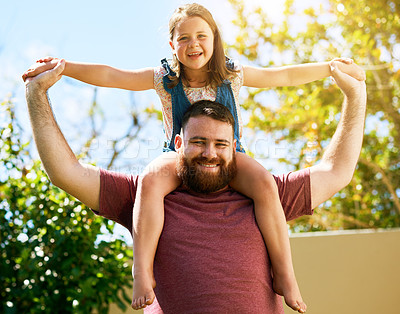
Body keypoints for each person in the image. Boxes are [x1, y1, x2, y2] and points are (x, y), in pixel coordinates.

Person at [22, 3, 366, 311]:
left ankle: (286, 275)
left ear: (215, 40)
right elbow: (113, 76)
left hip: (235, 158)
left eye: (201, 36)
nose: (193, 45)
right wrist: (64, 67)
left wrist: (330, 68)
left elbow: (284, 75)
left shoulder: (232, 75)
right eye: (183, 38)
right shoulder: (164, 79)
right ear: (172, 45)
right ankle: (141, 270)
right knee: (151, 181)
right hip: (177, 159)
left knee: (263, 182)